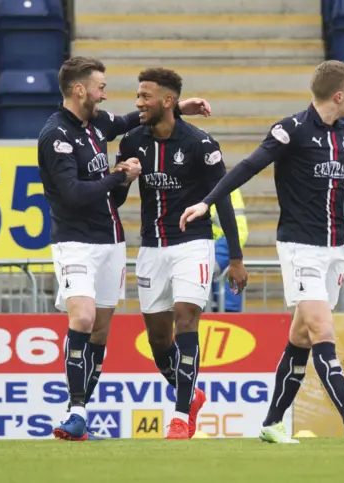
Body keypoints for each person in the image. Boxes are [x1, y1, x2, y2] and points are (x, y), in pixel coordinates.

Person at [178, 60, 344, 443]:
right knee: (322, 328)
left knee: (301, 338)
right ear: (339, 95)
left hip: (335, 249)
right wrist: (207, 202)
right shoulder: (290, 130)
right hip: (299, 248)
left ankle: (271, 422)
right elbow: (247, 167)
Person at [38, 56, 212, 441]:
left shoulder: (96, 123)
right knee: (81, 319)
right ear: (80, 89)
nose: (105, 93)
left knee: (99, 332)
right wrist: (118, 175)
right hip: (74, 241)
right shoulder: (56, 135)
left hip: (111, 242)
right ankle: (76, 410)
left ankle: (80, 417)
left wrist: (177, 107)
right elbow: (73, 193)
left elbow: (130, 121)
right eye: (100, 86)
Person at [116, 68, 248, 439]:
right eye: (138, 96)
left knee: (186, 318)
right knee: (159, 341)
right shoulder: (131, 143)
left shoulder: (201, 144)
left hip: (194, 244)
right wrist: (122, 178)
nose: (138, 103)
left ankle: (179, 417)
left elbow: (220, 199)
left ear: (168, 101)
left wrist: (236, 258)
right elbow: (117, 197)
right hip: (151, 247)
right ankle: (192, 395)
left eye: (145, 96)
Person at [211, 189, 248, 312]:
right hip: (193, 291)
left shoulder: (228, 186)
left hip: (223, 284)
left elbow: (239, 233)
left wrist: (212, 261)